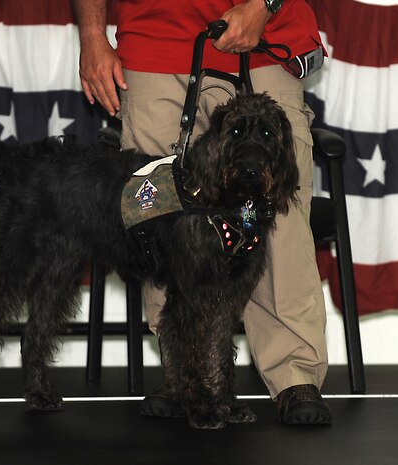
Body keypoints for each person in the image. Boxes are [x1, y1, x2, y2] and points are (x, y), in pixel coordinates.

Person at [72, 0, 332, 425]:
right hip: (153, 45)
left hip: (263, 38)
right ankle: (187, 375)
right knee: (159, 220)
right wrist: (91, 35)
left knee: (277, 216)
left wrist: (265, 5)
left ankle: (294, 374)